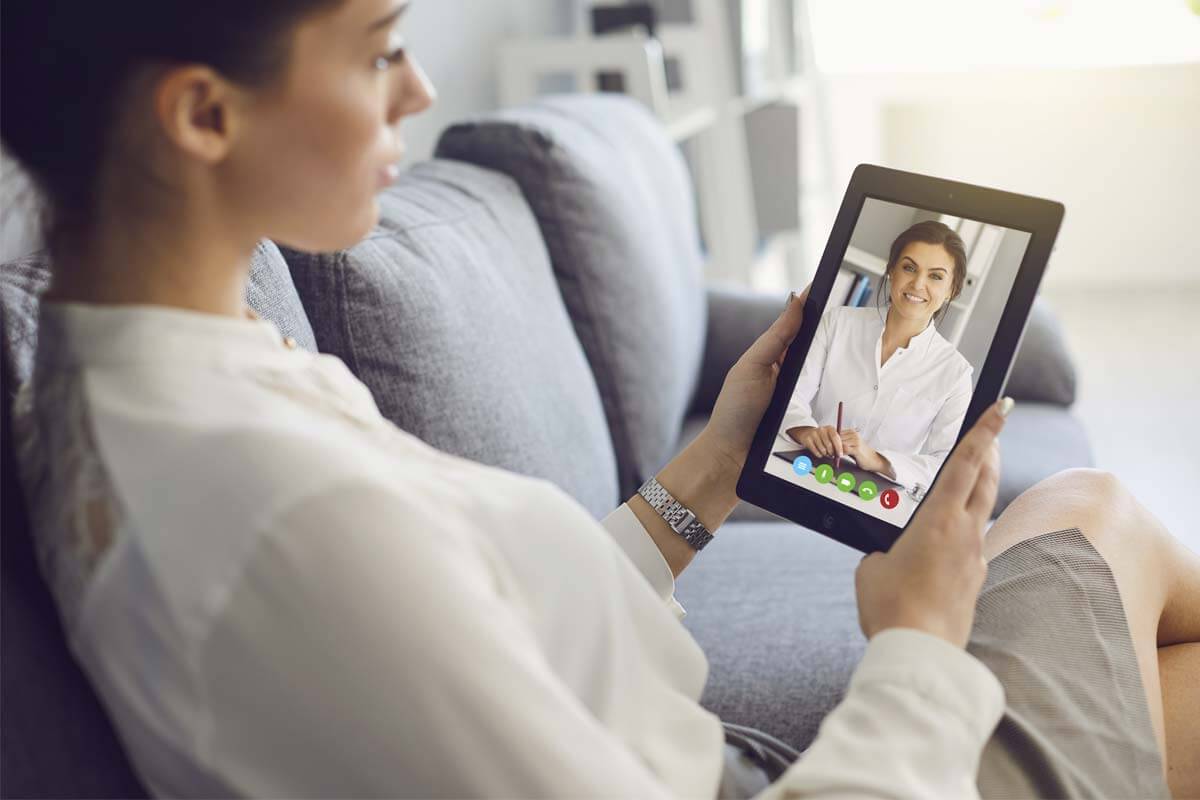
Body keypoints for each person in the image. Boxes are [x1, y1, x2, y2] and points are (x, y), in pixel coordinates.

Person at [2, 1, 1197, 798]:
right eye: (375, 48)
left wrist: (707, 476)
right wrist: (917, 639)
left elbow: (479, 620)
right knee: (1095, 509)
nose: (417, 86)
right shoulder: (272, 512)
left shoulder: (150, 371)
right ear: (205, 113)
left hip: (712, 755)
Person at [782, 221, 973, 496]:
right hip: (808, 471)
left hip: (876, 499)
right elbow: (790, 395)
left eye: (936, 276)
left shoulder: (956, 375)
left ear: (952, 290)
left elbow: (947, 465)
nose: (918, 284)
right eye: (909, 268)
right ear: (891, 270)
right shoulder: (837, 322)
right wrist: (805, 431)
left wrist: (878, 460)